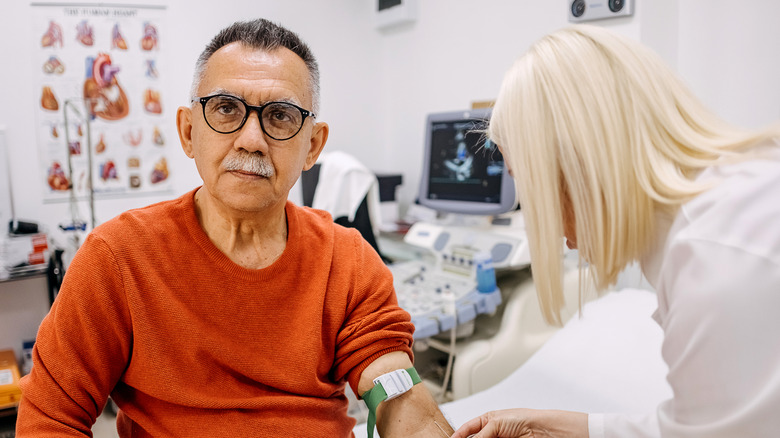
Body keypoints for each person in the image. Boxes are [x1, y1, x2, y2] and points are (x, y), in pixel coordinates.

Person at [17, 19, 454, 437]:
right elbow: (50, 416)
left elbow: (393, 388)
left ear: (312, 146)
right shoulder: (118, 258)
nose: (251, 140)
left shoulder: (348, 259)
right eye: (226, 109)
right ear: (189, 132)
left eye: (280, 116)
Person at [452, 24, 780, 438]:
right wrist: (550, 426)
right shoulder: (716, 217)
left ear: (576, 160)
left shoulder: (715, 262)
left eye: (527, 182)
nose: (541, 220)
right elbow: (697, 426)